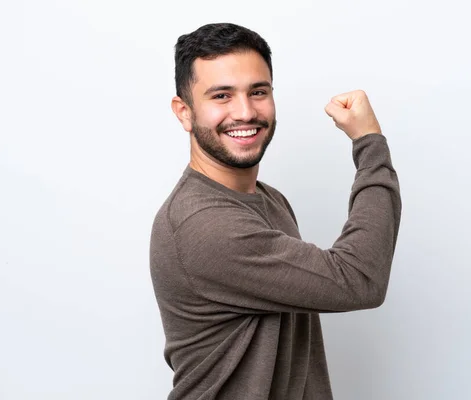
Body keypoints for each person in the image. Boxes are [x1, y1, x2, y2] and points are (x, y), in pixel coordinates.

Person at [149, 22, 402, 400]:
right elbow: (359, 279)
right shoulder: (203, 225)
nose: (245, 111)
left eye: (258, 91)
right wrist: (369, 143)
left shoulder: (269, 200)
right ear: (184, 112)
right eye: (221, 95)